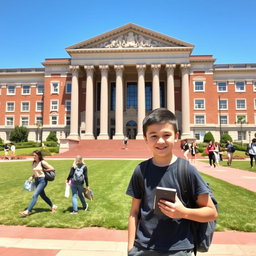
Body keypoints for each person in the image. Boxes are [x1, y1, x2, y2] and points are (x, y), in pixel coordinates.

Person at [126, 108, 218, 256]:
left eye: (166, 135)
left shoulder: (187, 171)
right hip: (143, 248)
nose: (160, 141)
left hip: (179, 249)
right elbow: (134, 212)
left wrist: (183, 212)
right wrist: (131, 249)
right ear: (145, 138)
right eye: (154, 136)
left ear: (176, 136)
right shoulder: (140, 171)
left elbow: (211, 213)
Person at [19, 150, 57, 217]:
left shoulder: (43, 162)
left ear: (39, 156)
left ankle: (27, 211)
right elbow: (35, 172)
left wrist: (44, 170)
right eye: (33, 155)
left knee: (35, 195)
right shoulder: (33, 163)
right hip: (36, 180)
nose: (33, 156)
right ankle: (53, 206)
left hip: (43, 180)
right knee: (43, 196)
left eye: (35, 155)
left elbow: (52, 168)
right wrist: (32, 177)